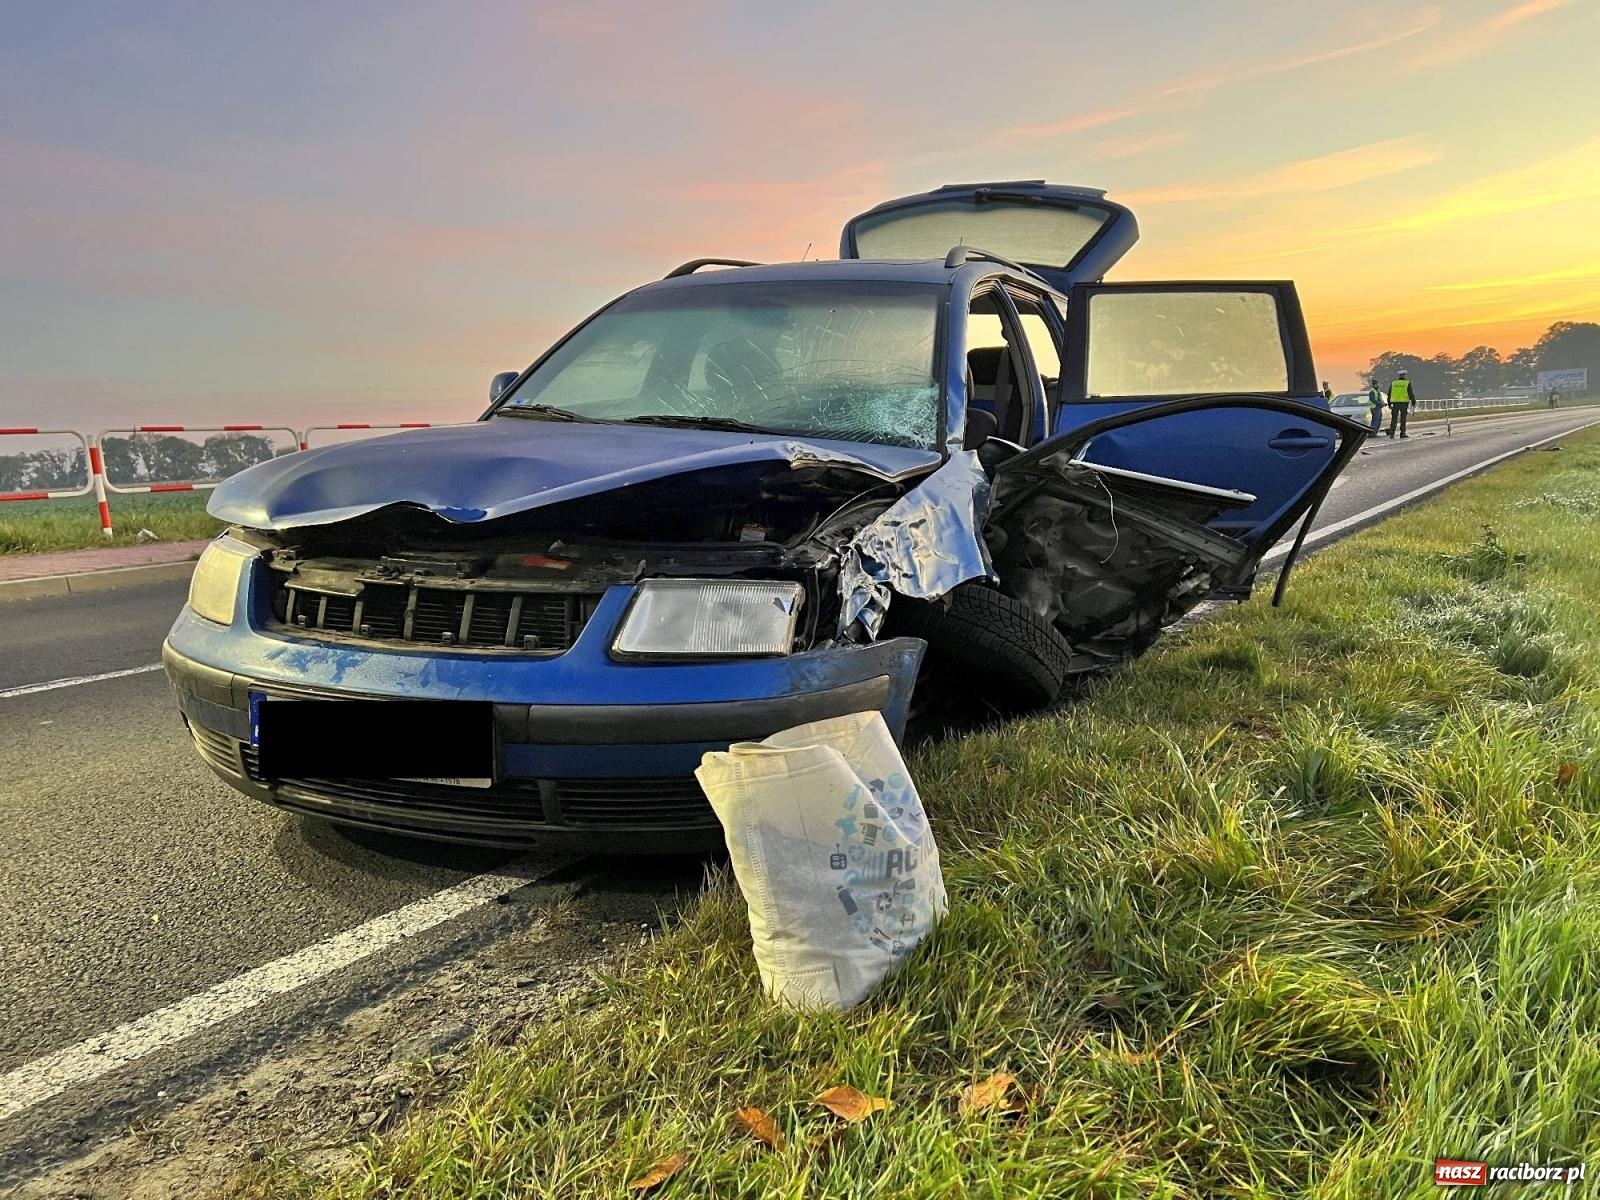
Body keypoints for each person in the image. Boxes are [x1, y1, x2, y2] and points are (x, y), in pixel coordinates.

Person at [1386, 370, 1414, 438]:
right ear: (1404, 375)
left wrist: (1389, 403)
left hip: (1395, 403)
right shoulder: (1407, 383)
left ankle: (1392, 433)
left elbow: (1389, 394)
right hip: (1403, 403)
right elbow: (1410, 393)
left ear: (1399, 376)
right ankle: (1402, 433)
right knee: (1403, 419)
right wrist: (1413, 401)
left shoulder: (1394, 383)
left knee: (1394, 419)